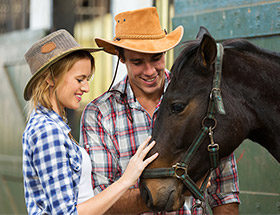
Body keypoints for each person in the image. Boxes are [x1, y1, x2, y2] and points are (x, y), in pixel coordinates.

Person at [80, 7, 240, 215]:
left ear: (165, 52)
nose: (149, 71)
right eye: (137, 61)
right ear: (121, 57)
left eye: (156, 58)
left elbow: (225, 193)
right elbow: (102, 202)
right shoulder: (99, 114)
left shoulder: (199, 100)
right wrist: (179, 186)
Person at [22, 29, 158, 215]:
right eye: (80, 79)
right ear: (50, 78)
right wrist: (126, 180)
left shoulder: (55, 127)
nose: (86, 88)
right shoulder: (47, 131)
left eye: (87, 79)